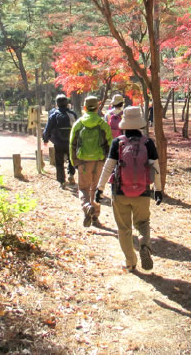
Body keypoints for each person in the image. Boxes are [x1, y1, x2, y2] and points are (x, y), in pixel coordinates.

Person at [95, 106, 163, 272]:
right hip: (143, 192)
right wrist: (158, 190)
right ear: (140, 123)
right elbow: (156, 168)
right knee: (143, 222)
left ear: (124, 123)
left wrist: (100, 188)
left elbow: (108, 166)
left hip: (120, 192)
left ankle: (130, 262)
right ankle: (145, 244)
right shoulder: (148, 143)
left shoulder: (117, 143)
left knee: (124, 229)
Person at [70, 96, 113, 227]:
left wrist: (74, 162)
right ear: (98, 107)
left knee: (83, 188)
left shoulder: (79, 124)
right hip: (99, 161)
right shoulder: (103, 124)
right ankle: (95, 216)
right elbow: (110, 144)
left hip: (83, 161)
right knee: (96, 188)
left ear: (85, 107)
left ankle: (86, 206)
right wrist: (108, 162)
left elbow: (72, 144)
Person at [43, 94, 78, 189]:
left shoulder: (54, 115)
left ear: (57, 104)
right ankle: (71, 175)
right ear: (67, 103)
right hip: (71, 142)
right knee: (71, 159)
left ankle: (62, 181)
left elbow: (48, 128)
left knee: (59, 162)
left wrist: (45, 139)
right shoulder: (72, 114)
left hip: (58, 142)